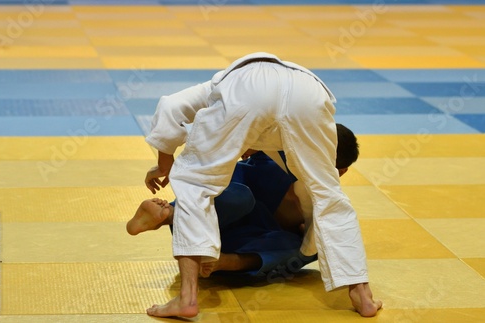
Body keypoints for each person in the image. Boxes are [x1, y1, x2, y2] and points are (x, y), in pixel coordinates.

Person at [141, 52, 382, 318]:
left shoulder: (215, 88)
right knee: (329, 196)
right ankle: (363, 296)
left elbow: (169, 107)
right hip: (310, 93)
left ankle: (187, 298)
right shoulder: (277, 91)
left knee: (194, 183)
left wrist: (164, 165)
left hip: (249, 92)